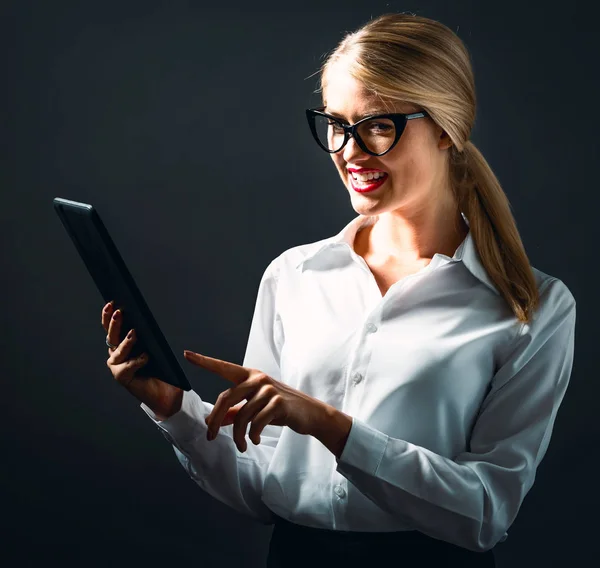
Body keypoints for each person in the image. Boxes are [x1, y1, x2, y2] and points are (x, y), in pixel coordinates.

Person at [101, 12, 576, 568]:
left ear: (446, 127)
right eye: (335, 124)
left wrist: (330, 427)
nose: (349, 152)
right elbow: (263, 487)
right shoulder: (294, 276)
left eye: (377, 125)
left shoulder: (534, 309)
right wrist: (174, 412)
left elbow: (486, 512)